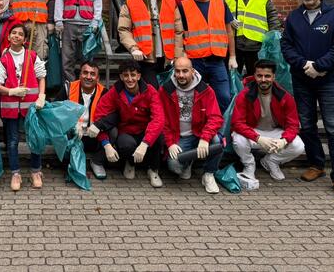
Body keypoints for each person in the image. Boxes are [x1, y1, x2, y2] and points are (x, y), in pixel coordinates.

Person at [281, 0, 334, 199]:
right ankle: (316, 164)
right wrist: (303, 65)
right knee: (307, 125)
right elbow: (286, 45)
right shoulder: (294, 17)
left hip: (328, 81)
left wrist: (320, 66)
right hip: (302, 80)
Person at [89, 59, 165, 188]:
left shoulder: (150, 91)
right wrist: (106, 143)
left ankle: (153, 169)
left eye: (133, 75)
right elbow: (99, 117)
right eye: (126, 75)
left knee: (158, 138)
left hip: (146, 131)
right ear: (121, 77)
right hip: (126, 131)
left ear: (139, 76)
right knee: (125, 145)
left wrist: (145, 143)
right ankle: (130, 163)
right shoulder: (115, 92)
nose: (130, 79)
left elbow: (158, 119)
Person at [0, 23, 47, 190]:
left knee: (34, 138)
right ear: (8, 37)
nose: (16, 36)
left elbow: (41, 76)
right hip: (10, 108)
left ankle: (36, 171)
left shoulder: (31, 55)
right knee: (13, 141)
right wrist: (12, 91)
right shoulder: (4, 59)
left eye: (20, 34)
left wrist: (42, 96)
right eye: (13, 33)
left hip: (31, 107)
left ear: (25, 39)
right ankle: (16, 173)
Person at [230, 60, 305, 182]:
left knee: (298, 146)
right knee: (238, 139)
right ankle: (249, 165)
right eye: (259, 76)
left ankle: (271, 161)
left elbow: (293, 125)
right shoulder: (244, 95)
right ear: (254, 76)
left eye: (267, 76)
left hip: (275, 132)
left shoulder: (285, 96)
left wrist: (284, 140)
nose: (263, 79)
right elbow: (237, 123)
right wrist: (258, 138)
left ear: (274, 77)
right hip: (253, 131)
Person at [175, 0, 237, 114]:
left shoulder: (220, 3)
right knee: (196, 99)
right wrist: (181, 55)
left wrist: (232, 56)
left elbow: (229, 31)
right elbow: (178, 32)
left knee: (224, 97)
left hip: (217, 60)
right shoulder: (183, 6)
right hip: (194, 61)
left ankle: (219, 130)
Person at [161, 56, 224, 194]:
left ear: (193, 71)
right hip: (180, 137)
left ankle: (208, 174)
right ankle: (189, 162)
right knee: (174, 166)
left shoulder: (206, 90)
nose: (181, 75)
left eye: (185, 71)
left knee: (217, 141)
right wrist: (170, 143)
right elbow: (162, 120)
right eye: (177, 71)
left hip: (200, 133)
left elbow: (216, 118)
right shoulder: (166, 90)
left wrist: (205, 138)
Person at [118, 0, 176, 87]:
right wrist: (133, 48)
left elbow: (179, 31)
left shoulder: (170, 1)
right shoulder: (131, 1)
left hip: (167, 59)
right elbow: (124, 29)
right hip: (145, 58)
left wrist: (178, 54)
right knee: (152, 91)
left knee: (168, 95)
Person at [223, 0, 282, 76]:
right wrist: (230, 20)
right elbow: (219, 13)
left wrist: (274, 37)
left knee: (257, 78)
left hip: (257, 44)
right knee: (233, 80)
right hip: (234, 44)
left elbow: (272, 15)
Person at [65, 60, 107, 179]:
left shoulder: (104, 92)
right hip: (73, 136)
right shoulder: (68, 88)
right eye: (85, 73)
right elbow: (57, 111)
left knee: (113, 130)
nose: (88, 77)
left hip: (94, 137)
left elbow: (111, 116)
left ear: (98, 78)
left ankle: (97, 162)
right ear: (80, 75)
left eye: (92, 74)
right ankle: (70, 164)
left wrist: (98, 125)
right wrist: (72, 124)